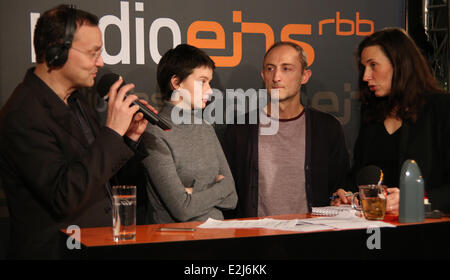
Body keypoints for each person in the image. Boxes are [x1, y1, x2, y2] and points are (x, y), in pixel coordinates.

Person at [0, 4, 150, 259]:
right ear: (56, 52)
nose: (100, 62)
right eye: (93, 53)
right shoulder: (22, 115)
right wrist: (112, 132)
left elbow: (97, 176)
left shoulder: (77, 101)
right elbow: (63, 195)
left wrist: (129, 138)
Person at [222, 41, 350, 218]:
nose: (276, 77)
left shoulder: (327, 128)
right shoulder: (240, 129)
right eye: (270, 69)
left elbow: (340, 187)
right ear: (263, 75)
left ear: (304, 76)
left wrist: (340, 198)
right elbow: (226, 192)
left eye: (287, 69)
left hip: (313, 238)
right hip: (255, 239)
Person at [345, 27, 450, 213]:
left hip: (428, 233)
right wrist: (347, 193)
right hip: (376, 231)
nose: (365, 76)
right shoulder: (372, 115)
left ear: (400, 64)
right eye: (363, 67)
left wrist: (417, 199)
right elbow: (361, 174)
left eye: (373, 65)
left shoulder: (441, 108)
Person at [141, 44, 237, 223]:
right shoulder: (154, 133)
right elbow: (182, 209)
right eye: (202, 81)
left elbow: (232, 197)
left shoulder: (206, 128)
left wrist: (192, 192)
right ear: (176, 82)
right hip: (176, 244)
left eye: (210, 82)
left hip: (219, 238)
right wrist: (216, 187)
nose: (210, 90)